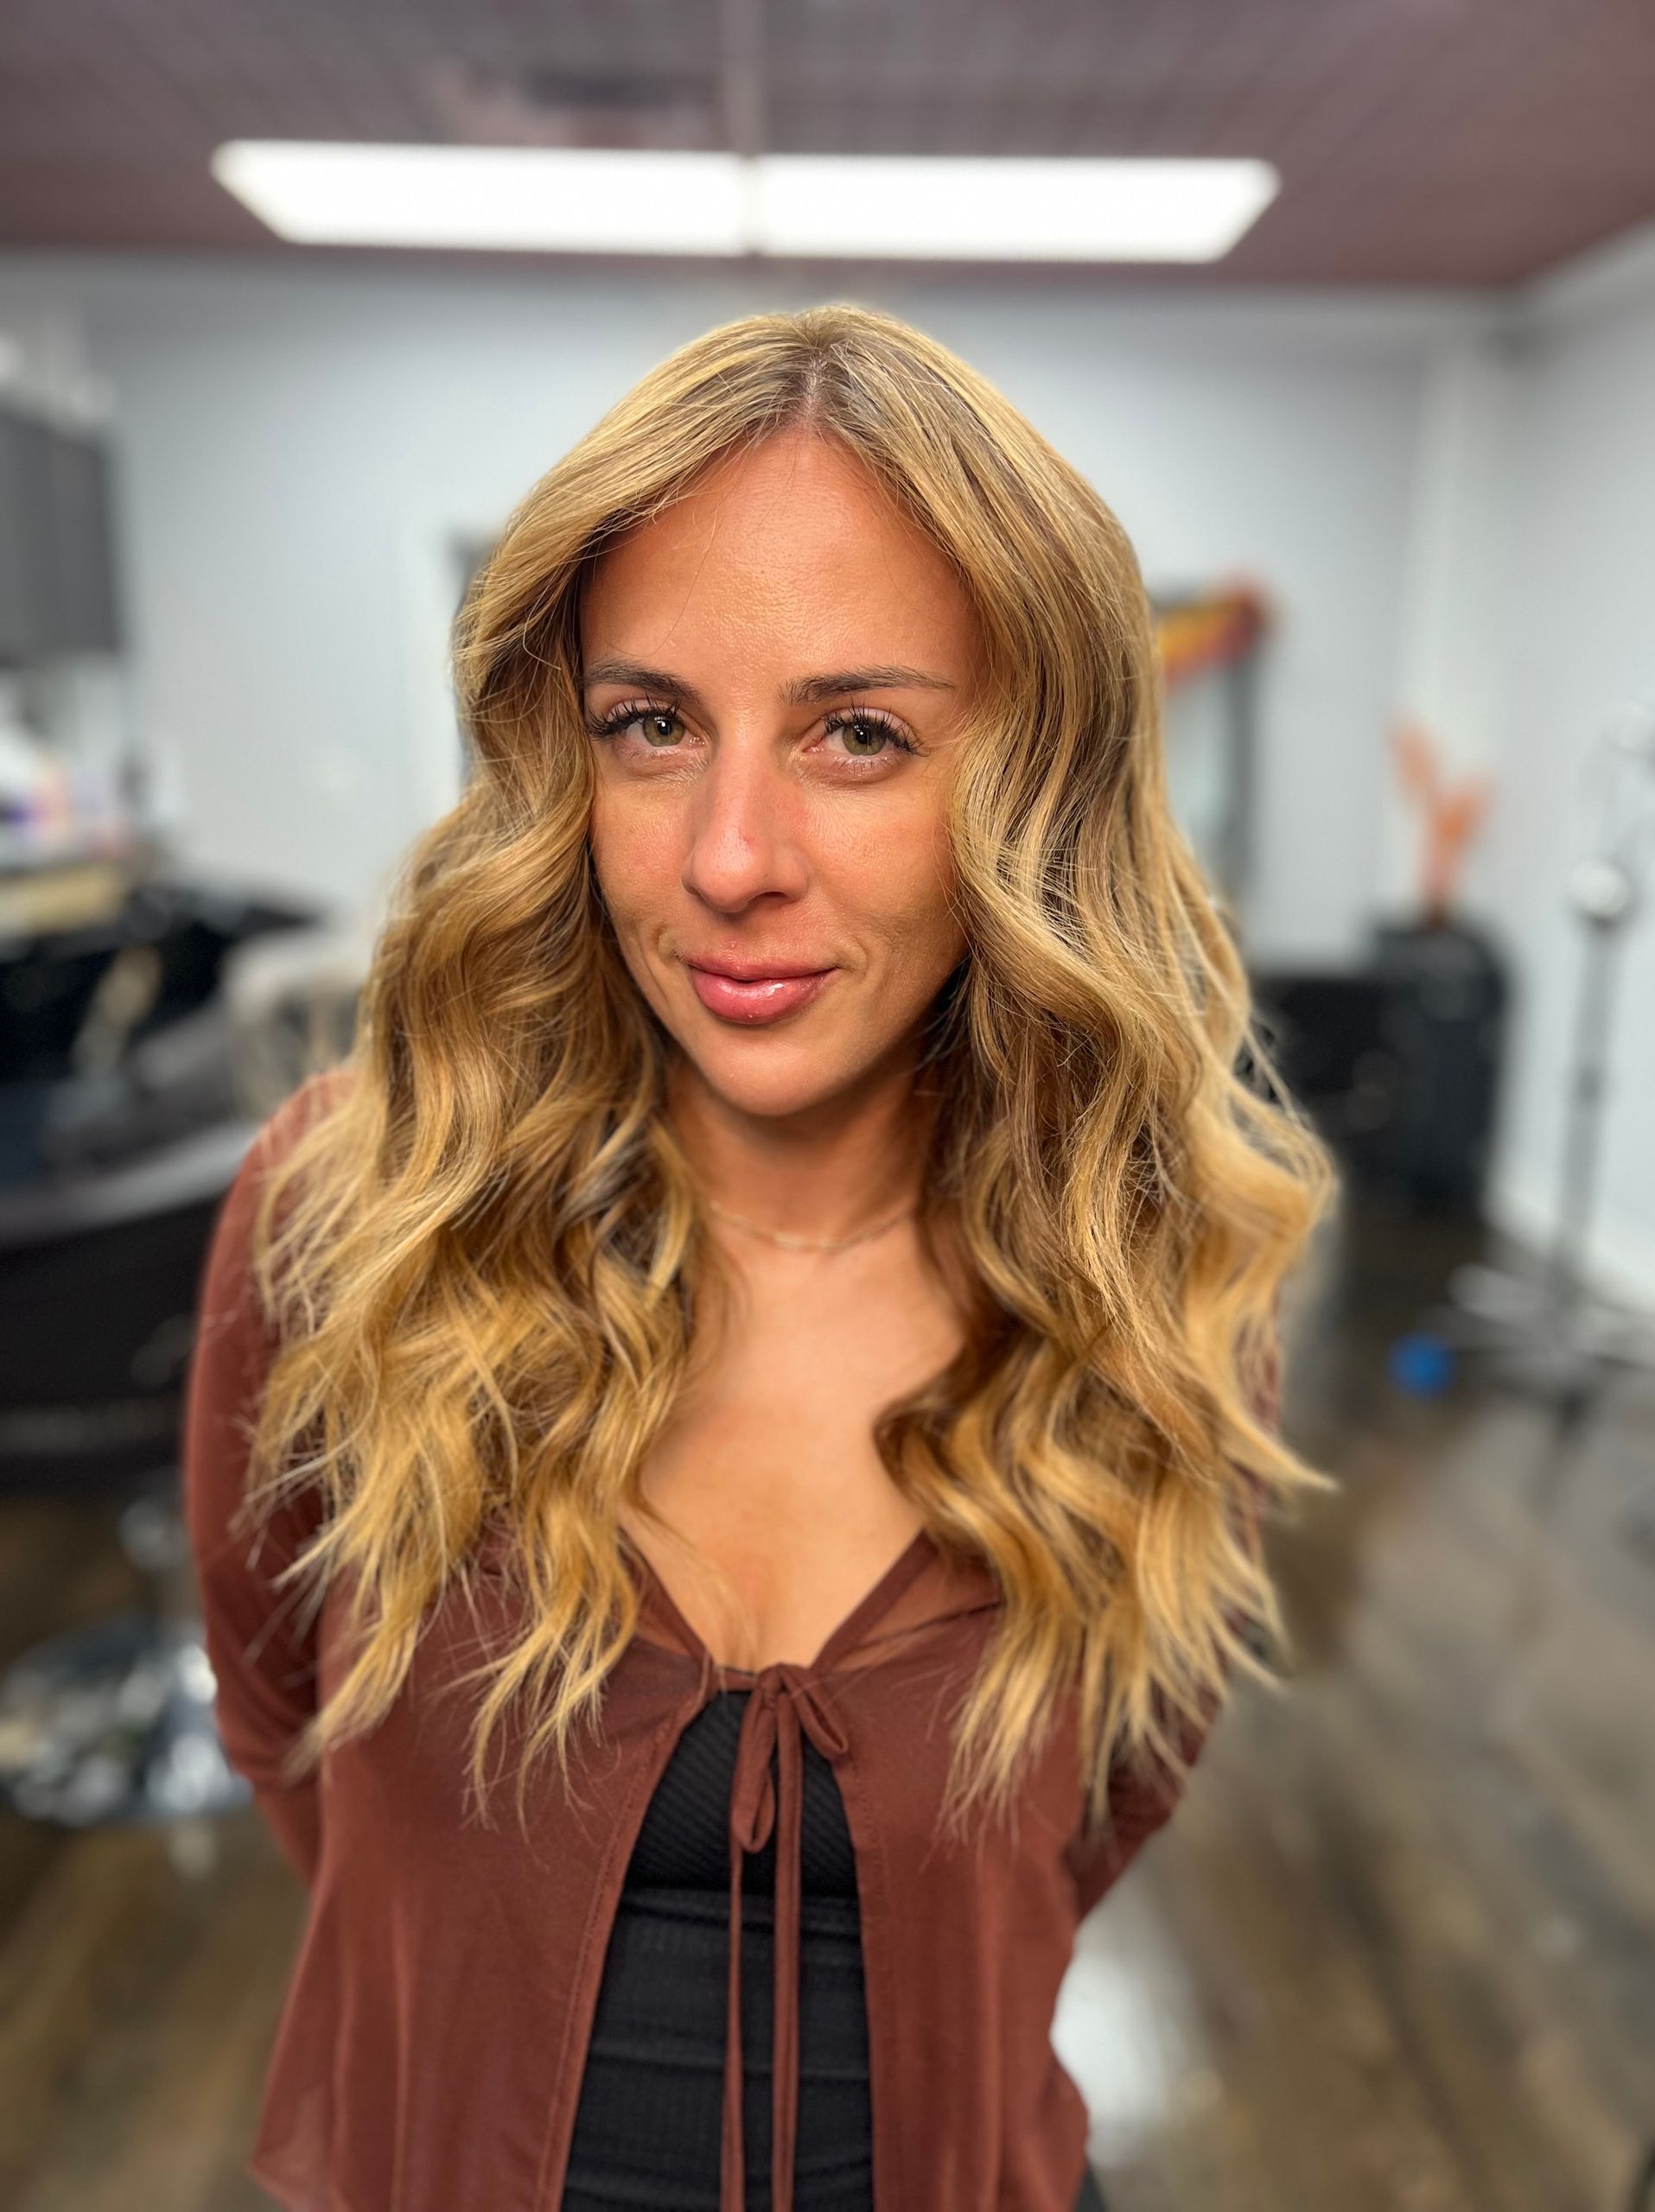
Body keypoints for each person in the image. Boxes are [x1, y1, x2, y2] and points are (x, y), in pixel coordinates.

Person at [183, 302, 1335, 2212]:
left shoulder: (1158, 1291)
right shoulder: (345, 1220)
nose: (730, 857)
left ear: (1033, 788)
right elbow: (276, 1721)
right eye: (652, 725)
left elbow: (1087, 1836)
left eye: (857, 734)